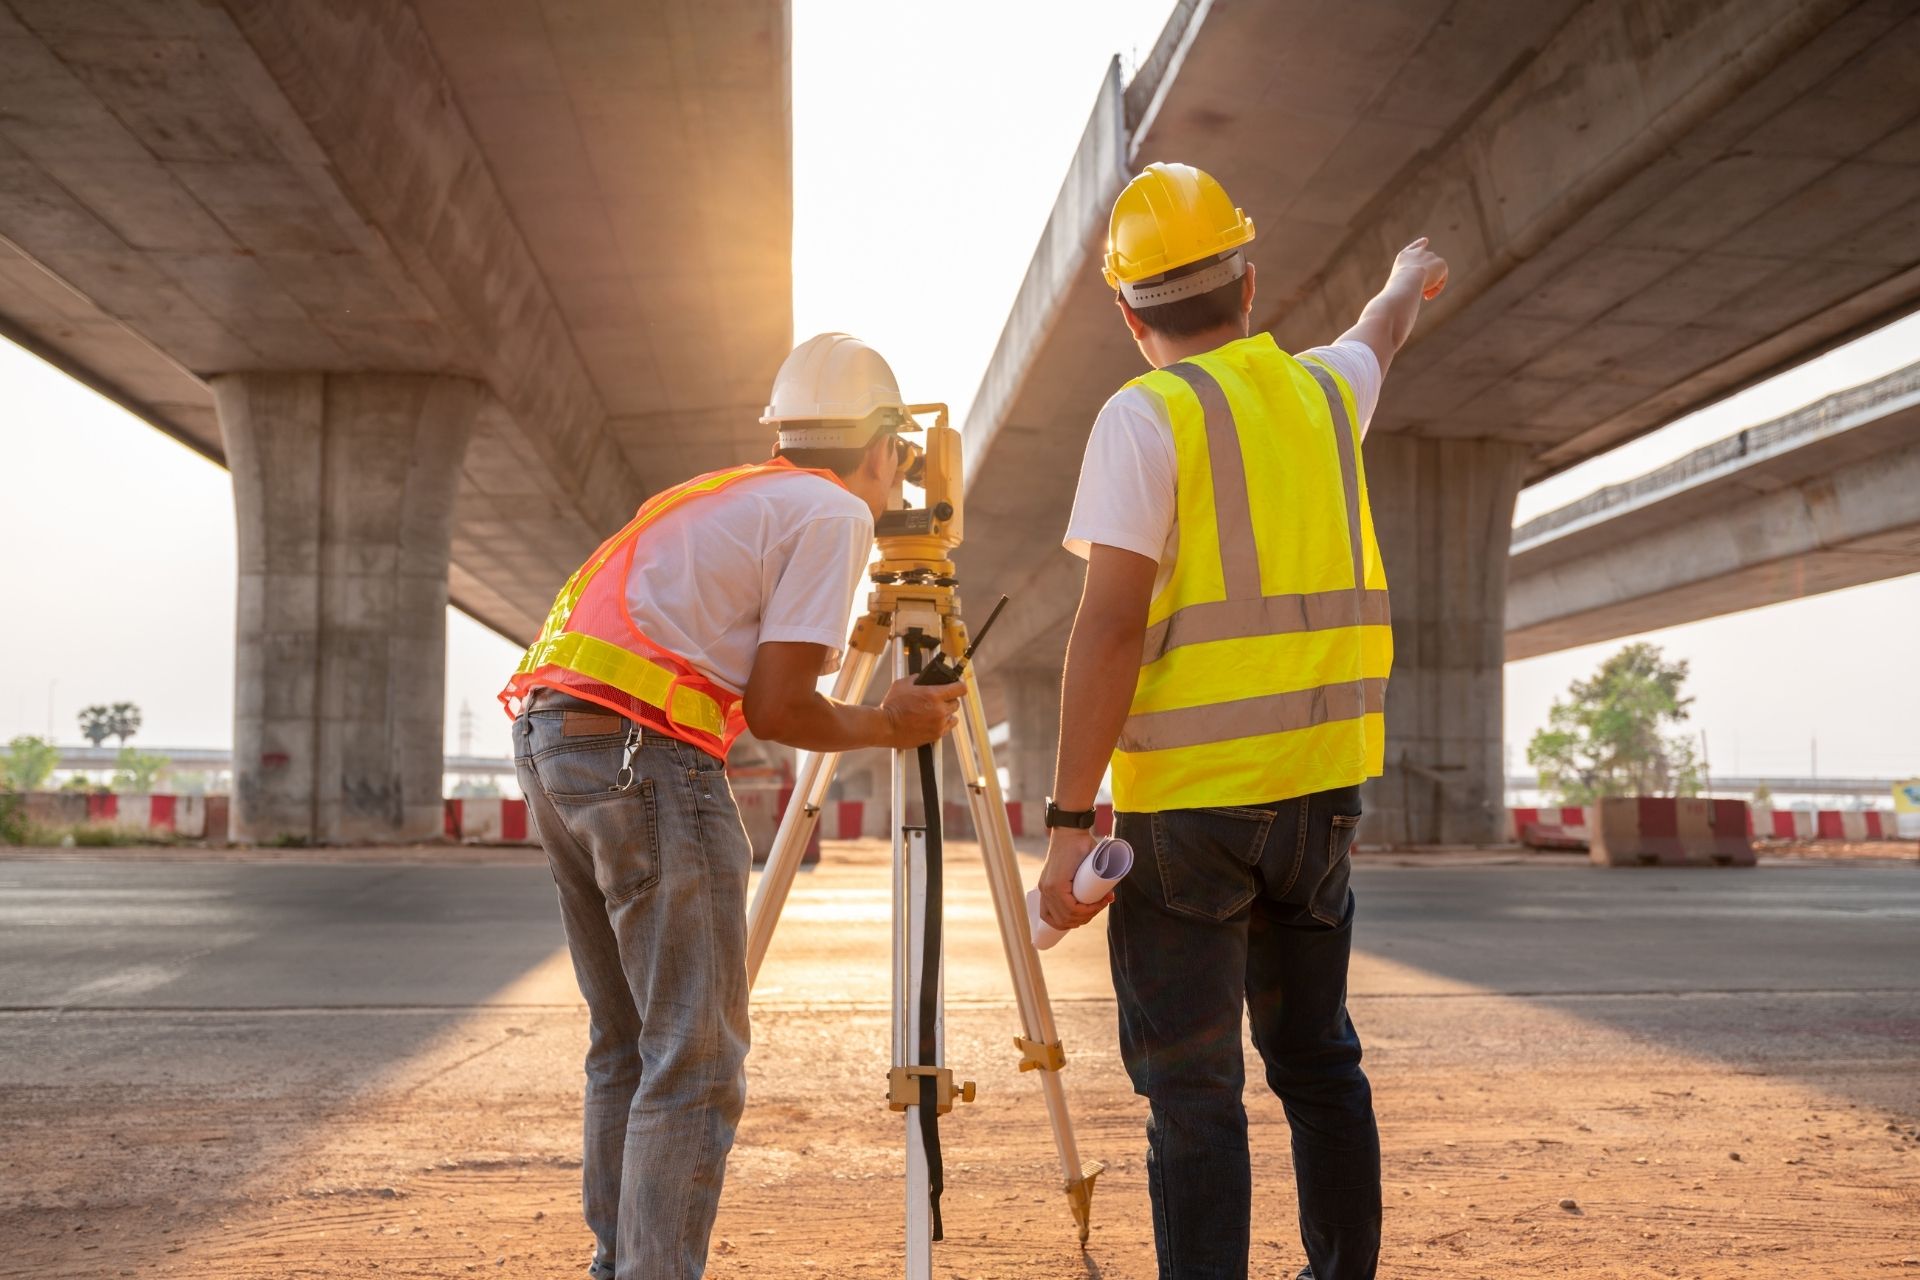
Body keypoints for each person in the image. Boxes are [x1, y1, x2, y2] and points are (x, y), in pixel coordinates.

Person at [1033, 161, 1448, 1280]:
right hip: (1323, 802)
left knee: (1194, 1088)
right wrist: (1410, 274)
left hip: (1188, 820)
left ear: (1127, 313)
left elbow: (1109, 629)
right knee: (1318, 1060)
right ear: (1250, 284)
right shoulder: (1322, 394)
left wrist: (1071, 826)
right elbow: (1381, 330)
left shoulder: (1145, 416)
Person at [499, 332, 966, 1280]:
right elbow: (779, 708)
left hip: (552, 745)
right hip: (644, 761)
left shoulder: (723, 496)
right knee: (696, 1061)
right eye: (897, 467)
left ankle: (618, 1266)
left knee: (628, 1044)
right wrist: (891, 723)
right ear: (882, 445)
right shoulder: (831, 511)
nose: (893, 490)